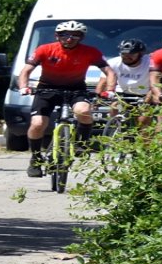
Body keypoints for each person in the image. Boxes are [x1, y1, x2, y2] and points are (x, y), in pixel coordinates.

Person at [17, 20, 117, 177]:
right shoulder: (45, 49)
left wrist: (110, 90)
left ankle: (80, 144)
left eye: (75, 35)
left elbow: (110, 72)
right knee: (37, 123)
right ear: (57, 36)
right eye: (64, 35)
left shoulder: (90, 52)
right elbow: (26, 71)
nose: (69, 38)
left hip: (76, 89)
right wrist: (24, 86)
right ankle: (36, 158)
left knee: (84, 111)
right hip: (47, 89)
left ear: (81, 37)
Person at [95, 38, 153, 128]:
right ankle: (114, 130)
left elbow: (155, 84)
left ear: (140, 54)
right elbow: (102, 83)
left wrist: (147, 101)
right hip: (123, 93)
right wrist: (96, 101)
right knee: (115, 106)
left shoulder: (150, 63)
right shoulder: (113, 62)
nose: (126, 56)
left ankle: (144, 140)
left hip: (145, 94)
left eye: (131, 54)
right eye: (123, 53)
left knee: (143, 120)